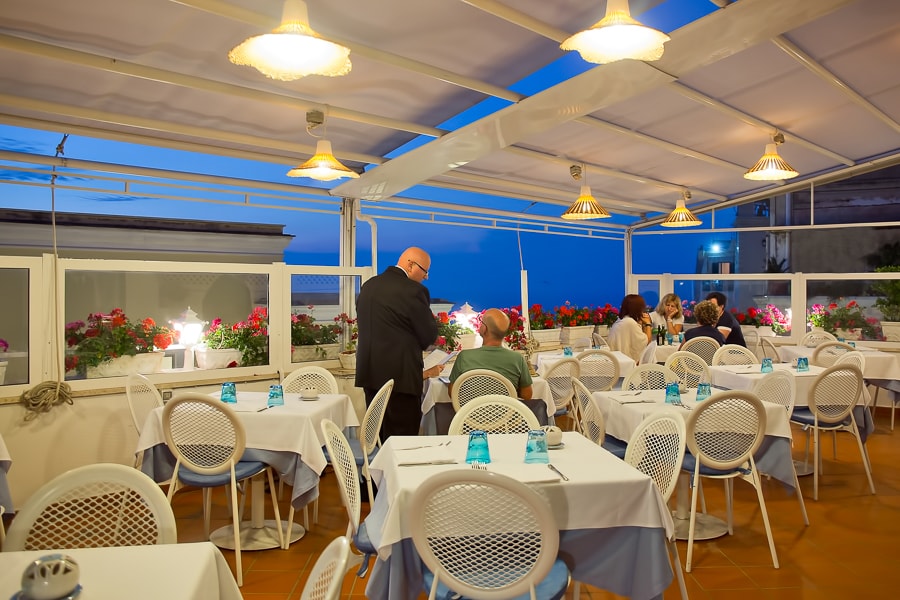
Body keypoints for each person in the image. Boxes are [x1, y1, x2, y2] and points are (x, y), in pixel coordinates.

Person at [356, 246, 439, 440]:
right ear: (411, 265)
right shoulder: (413, 290)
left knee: (378, 437)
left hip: (370, 376)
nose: (426, 277)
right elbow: (428, 336)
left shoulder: (369, 286)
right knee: (403, 442)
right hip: (401, 381)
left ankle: (376, 471)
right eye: (425, 271)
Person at [448, 308, 533, 400]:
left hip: (470, 413)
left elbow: (452, 392)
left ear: (484, 329)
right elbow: (527, 395)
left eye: (481, 321)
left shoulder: (464, 357)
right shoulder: (517, 359)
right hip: (506, 413)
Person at [608, 294, 652, 363]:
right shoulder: (630, 323)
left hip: (616, 361)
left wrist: (640, 323)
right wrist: (648, 323)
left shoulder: (621, 320)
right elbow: (647, 342)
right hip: (625, 363)